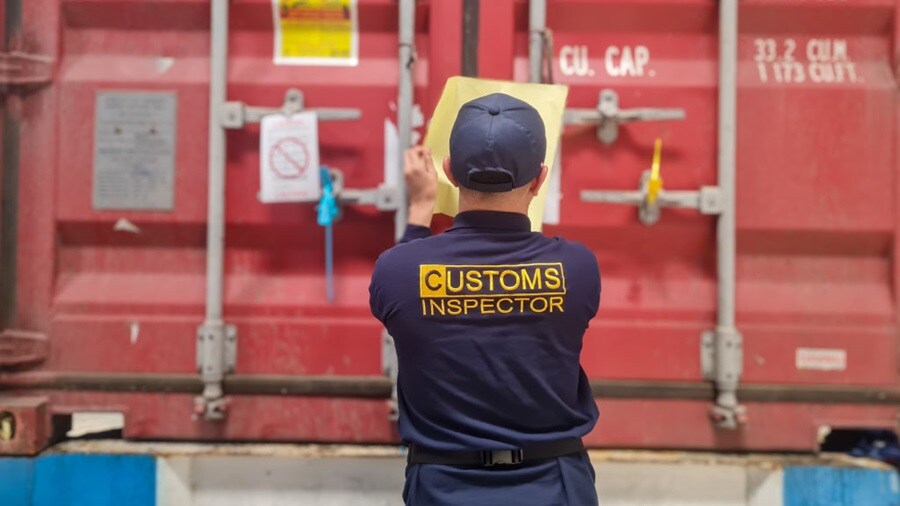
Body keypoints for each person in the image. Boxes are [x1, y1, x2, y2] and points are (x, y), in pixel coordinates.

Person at [369, 93, 601, 505]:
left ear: (449, 172)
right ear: (539, 180)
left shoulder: (396, 270)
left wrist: (421, 208)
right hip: (555, 485)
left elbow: (404, 283)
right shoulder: (577, 268)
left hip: (442, 487)